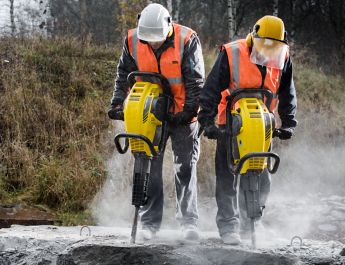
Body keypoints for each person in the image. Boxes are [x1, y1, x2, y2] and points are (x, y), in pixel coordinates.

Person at [108, 3, 205, 241]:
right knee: (148, 166)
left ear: (168, 27)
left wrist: (188, 112)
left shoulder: (187, 39)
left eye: (157, 39)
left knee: (186, 168)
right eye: (148, 39)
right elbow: (124, 74)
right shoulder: (132, 40)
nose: (153, 43)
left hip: (182, 114)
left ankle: (188, 222)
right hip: (149, 112)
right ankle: (150, 223)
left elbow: (195, 82)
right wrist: (117, 103)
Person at [198, 15, 297, 245]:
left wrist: (289, 122)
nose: (267, 53)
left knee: (261, 177)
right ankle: (228, 226)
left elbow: (287, 91)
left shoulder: (283, 56)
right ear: (254, 37)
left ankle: (252, 222)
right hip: (230, 124)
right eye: (264, 47)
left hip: (262, 125)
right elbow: (211, 88)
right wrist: (206, 121)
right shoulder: (232, 53)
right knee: (227, 177)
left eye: (273, 48)